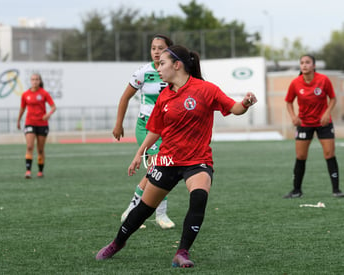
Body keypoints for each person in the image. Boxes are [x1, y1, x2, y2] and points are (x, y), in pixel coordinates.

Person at [96, 45, 257, 267]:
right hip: (168, 160)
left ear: (177, 65)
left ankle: (182, 252)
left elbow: (235, 108)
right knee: (144, 209)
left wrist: (246, 103)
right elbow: (155, 129)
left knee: (199, 196)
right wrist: (138, 153)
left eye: (162, 63)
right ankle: (117, 242)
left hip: (197, 160)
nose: (158, 68)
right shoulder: (164, 96)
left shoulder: (206, 89)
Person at [113, 34, 176, 229]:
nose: (156, 51)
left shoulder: (174, 71)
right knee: (159, 168)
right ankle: (161, 214)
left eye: (160, 48)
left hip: (168, 129)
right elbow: (124, 98)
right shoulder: (143, 72)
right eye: (153, 48)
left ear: (168, 51)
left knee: (162, 169)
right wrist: (118, 124)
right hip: (147, 127)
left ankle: (132, 210)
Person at [283, 55, 344, 198]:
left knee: (329, 154)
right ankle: (296, 190)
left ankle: (336, 190)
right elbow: (288, 102)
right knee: (301, 156)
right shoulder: (295, 83)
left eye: (307, 62)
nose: (304, 65)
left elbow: (333, 99)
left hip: (324, 124)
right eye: (302, 63)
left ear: (314, 66)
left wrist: (326, 114)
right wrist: (293, 116)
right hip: (304, 124)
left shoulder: (323, 80)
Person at [17, 73, 56, 179]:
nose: (35, 81)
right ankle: (28, 171)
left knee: (40, 149)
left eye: (37, 79)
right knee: (29, 146)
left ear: (40, 81)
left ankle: (40, 171)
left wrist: (48, 114)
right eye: (33, 79)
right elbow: (22, 108)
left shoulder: (44, 93)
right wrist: (18, 120)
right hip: (30, 122)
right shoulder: (25, 94)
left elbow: (53, 107)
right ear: (30, 81)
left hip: (42, 124)